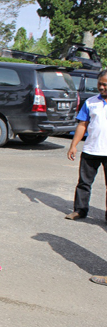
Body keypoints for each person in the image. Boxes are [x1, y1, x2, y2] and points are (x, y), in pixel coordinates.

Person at [66, 70, 107, 224]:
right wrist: (73, 145)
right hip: (91, 149)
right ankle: (79, 210)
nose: (102, 87)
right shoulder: (90, 102)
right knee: (84, 183)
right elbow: (82, 125)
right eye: (100, 84)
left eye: (105, 85)